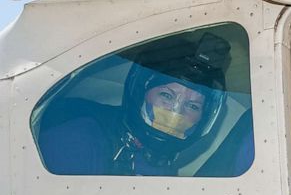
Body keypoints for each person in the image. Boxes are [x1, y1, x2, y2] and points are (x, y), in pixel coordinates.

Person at [38, 34, 228, 176]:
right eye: (166, 95)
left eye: (192, 106)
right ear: (140, 93)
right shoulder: (78, 139)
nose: (175, 112)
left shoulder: (159, 161)